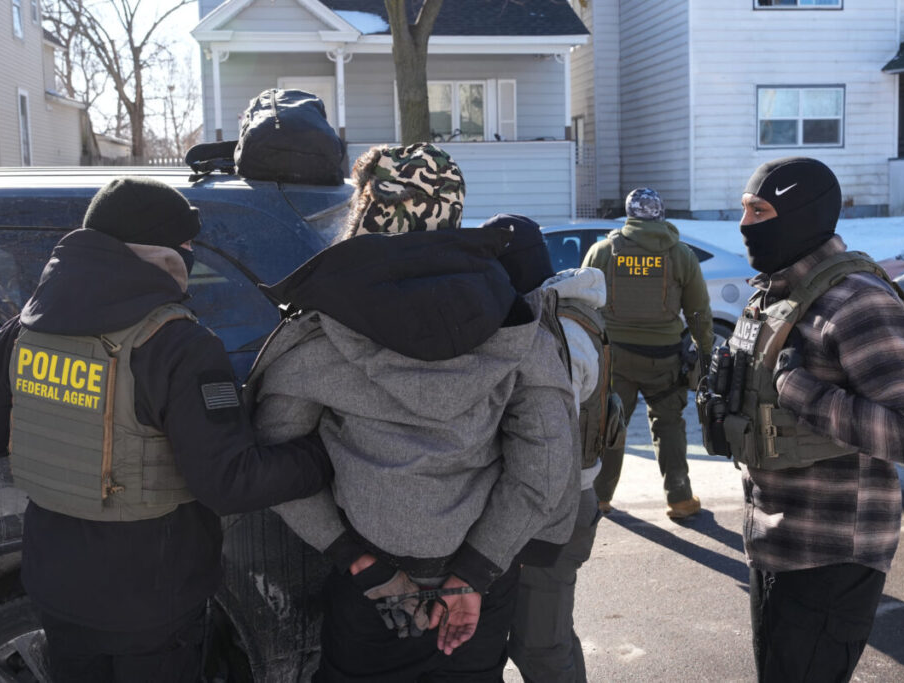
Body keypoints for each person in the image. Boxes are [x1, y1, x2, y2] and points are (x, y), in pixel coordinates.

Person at [0, 177, 333, 683]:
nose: (191, 255)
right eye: (186, 244)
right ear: (155, 251)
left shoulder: (23, 329)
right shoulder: (179, 344)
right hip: (153, 601)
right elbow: (229, 482)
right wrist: (322, 456)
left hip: (55, 587)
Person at [245, 143, 580, 683]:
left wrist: (358, 562)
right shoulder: (517, 323)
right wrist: (474, 573)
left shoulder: (320, 329)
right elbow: (544, 468)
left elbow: (276, 462)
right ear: (454, 212)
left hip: (371, 586)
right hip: (478, 585)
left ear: (367, 211)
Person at [700, 156, 904, 682]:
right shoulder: (776, 293)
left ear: (801, 214)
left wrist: (800, 391)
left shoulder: (859, 302)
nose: (745, 225)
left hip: (831, 553)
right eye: (744, 209)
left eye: (760, 211)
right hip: (774, 541)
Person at [490, 214, 622, 683]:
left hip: (552, 508)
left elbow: (544, 440)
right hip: (560, 501)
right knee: (548, 637)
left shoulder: (555, 328)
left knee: (540, 647)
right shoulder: (565, 312)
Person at [582, 187, 713, 518]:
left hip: (615, 357)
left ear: (629, 214)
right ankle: (680, 499)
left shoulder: (602, 252)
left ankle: (600, 497)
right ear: (660, 213)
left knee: (611, 424)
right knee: (669, 425)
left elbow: (583, 304)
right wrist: (705, 352)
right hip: (665, 359)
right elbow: (698, 311)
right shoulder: (680, 254)